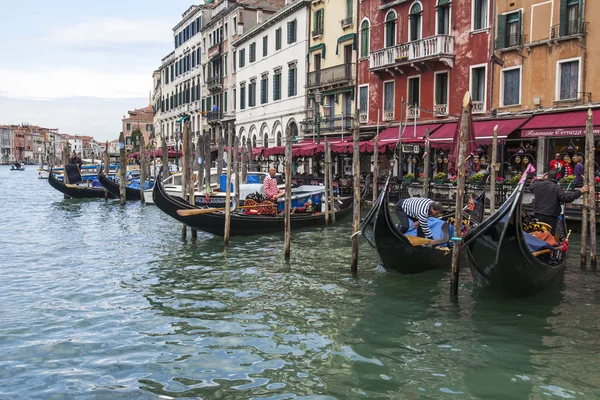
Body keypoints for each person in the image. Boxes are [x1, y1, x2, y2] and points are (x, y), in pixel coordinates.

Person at [531, 170, 588, 234]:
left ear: (546, 176)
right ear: (556, 178)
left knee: (537, 234)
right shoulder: (557, 187)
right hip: (550, 216)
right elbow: (566, 198)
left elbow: (531, 187)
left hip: (537, 214)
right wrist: (580, 191)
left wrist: (541, 179)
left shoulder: (537, 185)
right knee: (549, 236)